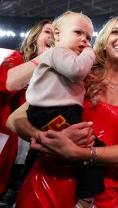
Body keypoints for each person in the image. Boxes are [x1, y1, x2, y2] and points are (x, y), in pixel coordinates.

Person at [6, 14, 118, 208]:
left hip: (101, 191)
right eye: (115, 32)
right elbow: (15, 119)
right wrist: (48, 140)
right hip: (50, 179)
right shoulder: (75, 74)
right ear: (104, 41)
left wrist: (79, 153)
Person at [25, 11, 105, 208]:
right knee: (92, 147)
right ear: (57, 34)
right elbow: (76, 71)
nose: (84, 40)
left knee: (76, 147)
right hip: (51, 111)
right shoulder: (58, 52)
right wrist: (89, 53)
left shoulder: (63, 56)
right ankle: (86, 200)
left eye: (88, 37)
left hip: (54, 111)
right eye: (78, 32)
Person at [0, 19, 53, 207]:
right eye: (48, 32)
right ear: (35, 37)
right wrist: (47, 58)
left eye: (57, 33)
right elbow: (8, 84)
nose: (53, 37)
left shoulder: (58, 76)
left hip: (33, 164)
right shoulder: (17, 59)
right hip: (5, 161)